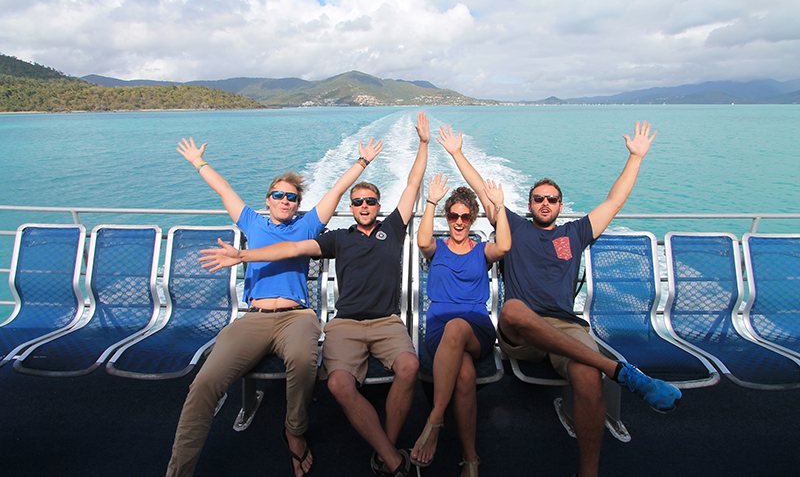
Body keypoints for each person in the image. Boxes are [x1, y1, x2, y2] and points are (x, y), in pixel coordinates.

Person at [436, 121, 681, 477]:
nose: (545, 203)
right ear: (530, 204)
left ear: (560, 205)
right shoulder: (515, 227)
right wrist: (457, 153)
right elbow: (482, 191)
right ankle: (620, 371)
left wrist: (636, 158)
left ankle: (588, 472)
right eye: (539, 198)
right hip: (520, 330)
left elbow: (614, 201)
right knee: (514, 308)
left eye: (552, 199)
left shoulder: (575, 233)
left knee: (587, 376)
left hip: (566, 329)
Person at [198, 112, 431, 477]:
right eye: (358, 203)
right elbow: (290, 250)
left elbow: (413, 185)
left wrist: (424, 143)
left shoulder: (395, 229)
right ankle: (390, 455)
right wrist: (243, 255)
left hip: (387, 322)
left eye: (371, 201)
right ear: (350, 209)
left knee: (411, 366)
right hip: (345, 325)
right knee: (338, 383)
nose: (365, 206)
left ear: (379, 206)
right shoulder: (337, 238)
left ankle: (386, 450)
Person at [167, 134, 383, 477]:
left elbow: (337, 193)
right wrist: (198, 162)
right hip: (253, 319)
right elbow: (225, 191)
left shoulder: (308, 225)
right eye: (279, 195)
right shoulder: (252, 222)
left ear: (298, 204)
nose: (285, 201)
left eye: (292, 197)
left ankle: (294, 432)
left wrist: (363, 161)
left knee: (302, 359)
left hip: (296, 316)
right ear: (268, 200)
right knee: (205, 383)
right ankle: (178, 470)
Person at [409, 173, 510, 477]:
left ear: (472, 219)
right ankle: (470, 459)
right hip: (441, 328)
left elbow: (503, 246)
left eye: (465, 216)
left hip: (475, 326)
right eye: (453, 215)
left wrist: (501, 207)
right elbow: (422, 240)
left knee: (457, 327)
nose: (459, 221)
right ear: (447, 216)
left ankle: (435, 419)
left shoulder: (482, 252)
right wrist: (431, 201)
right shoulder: (436, 249)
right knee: (464, 374)